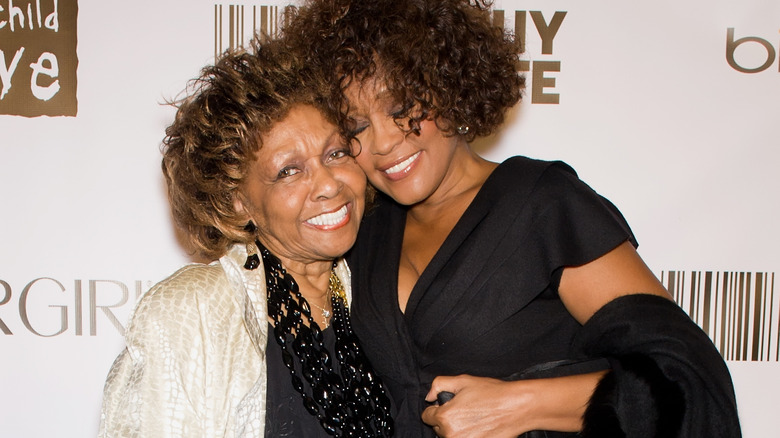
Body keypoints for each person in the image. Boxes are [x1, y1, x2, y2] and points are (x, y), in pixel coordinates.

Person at [283, 0, 742, 436]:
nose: (383, 142)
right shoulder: (361, 231)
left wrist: (518, 406)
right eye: (357, 126)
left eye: (402, 109)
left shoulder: (542, 204)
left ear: (449, 85)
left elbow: (685, 381)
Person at [98, 37, 393, 437]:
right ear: (238, 201)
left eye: (336, 153)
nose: (328, 184)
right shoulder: (191, 311)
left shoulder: (377, 286)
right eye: (289, 170)